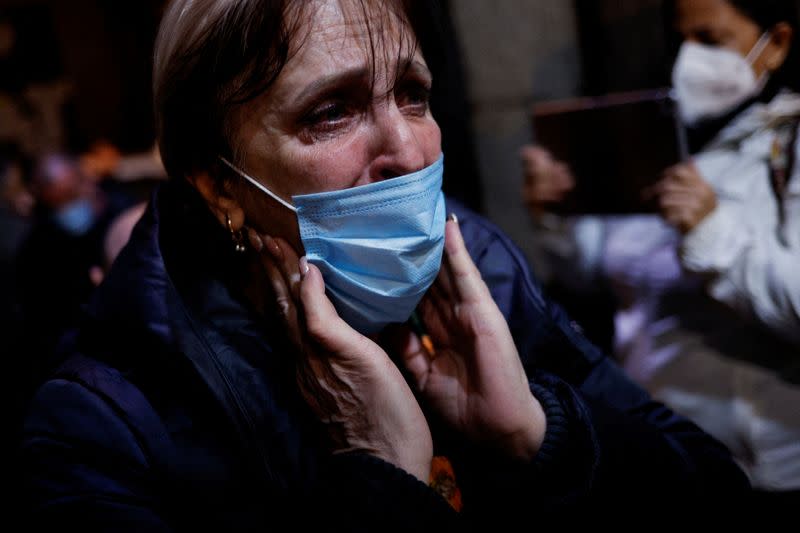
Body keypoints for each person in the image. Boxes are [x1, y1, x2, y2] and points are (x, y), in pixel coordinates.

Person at [20, 1, 751, 530]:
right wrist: (384, 481)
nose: (408, 150)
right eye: (329, 111)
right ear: (217, 185)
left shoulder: (479, 279)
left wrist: (539, 432)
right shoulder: (105, 423)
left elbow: (715, 489)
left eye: (413, 94)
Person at [521, 0, 800, 494]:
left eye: (712, 41)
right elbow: (599, 272)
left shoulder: (786, 145)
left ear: (776, 44)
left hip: (765, 465)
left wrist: (711, 231)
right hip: (660, 449)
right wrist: (558, 213)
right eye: (683, 41)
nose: (689, 61)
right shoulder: (664, 131)